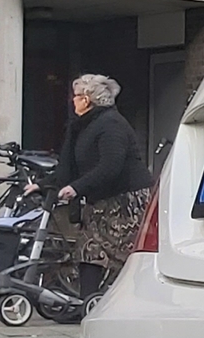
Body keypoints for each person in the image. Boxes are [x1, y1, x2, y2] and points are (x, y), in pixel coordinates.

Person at [52, 73, 153, 296]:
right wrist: (44, 185)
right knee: (88, 252)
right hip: (99, 200)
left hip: (126, 200)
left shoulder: (111, 124)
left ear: (87, 99)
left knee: (125, 255)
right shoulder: (83, 126)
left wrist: (76, 188)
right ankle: (87, 303)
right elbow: (69, 165)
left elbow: (111, 165)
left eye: (76, 96)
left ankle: (132, 299)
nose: (72, 100)